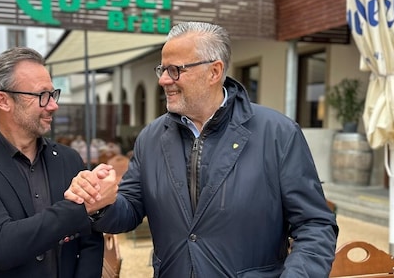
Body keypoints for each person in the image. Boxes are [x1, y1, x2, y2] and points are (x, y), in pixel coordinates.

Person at [66, 22, 339, 277]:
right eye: (162, 70)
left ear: (214, 72)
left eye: (175, 70)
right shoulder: (151, 137)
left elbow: (315, 225)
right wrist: (101, 205)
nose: (163, 80)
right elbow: (129, 211)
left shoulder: (278, 133)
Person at [0, 47, 110, 278]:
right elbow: (1, 245)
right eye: (42, 96)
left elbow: (90, 242)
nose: (53, 105)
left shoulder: (68, 159)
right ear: (3, 101)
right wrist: (81, 208)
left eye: (53, 94)